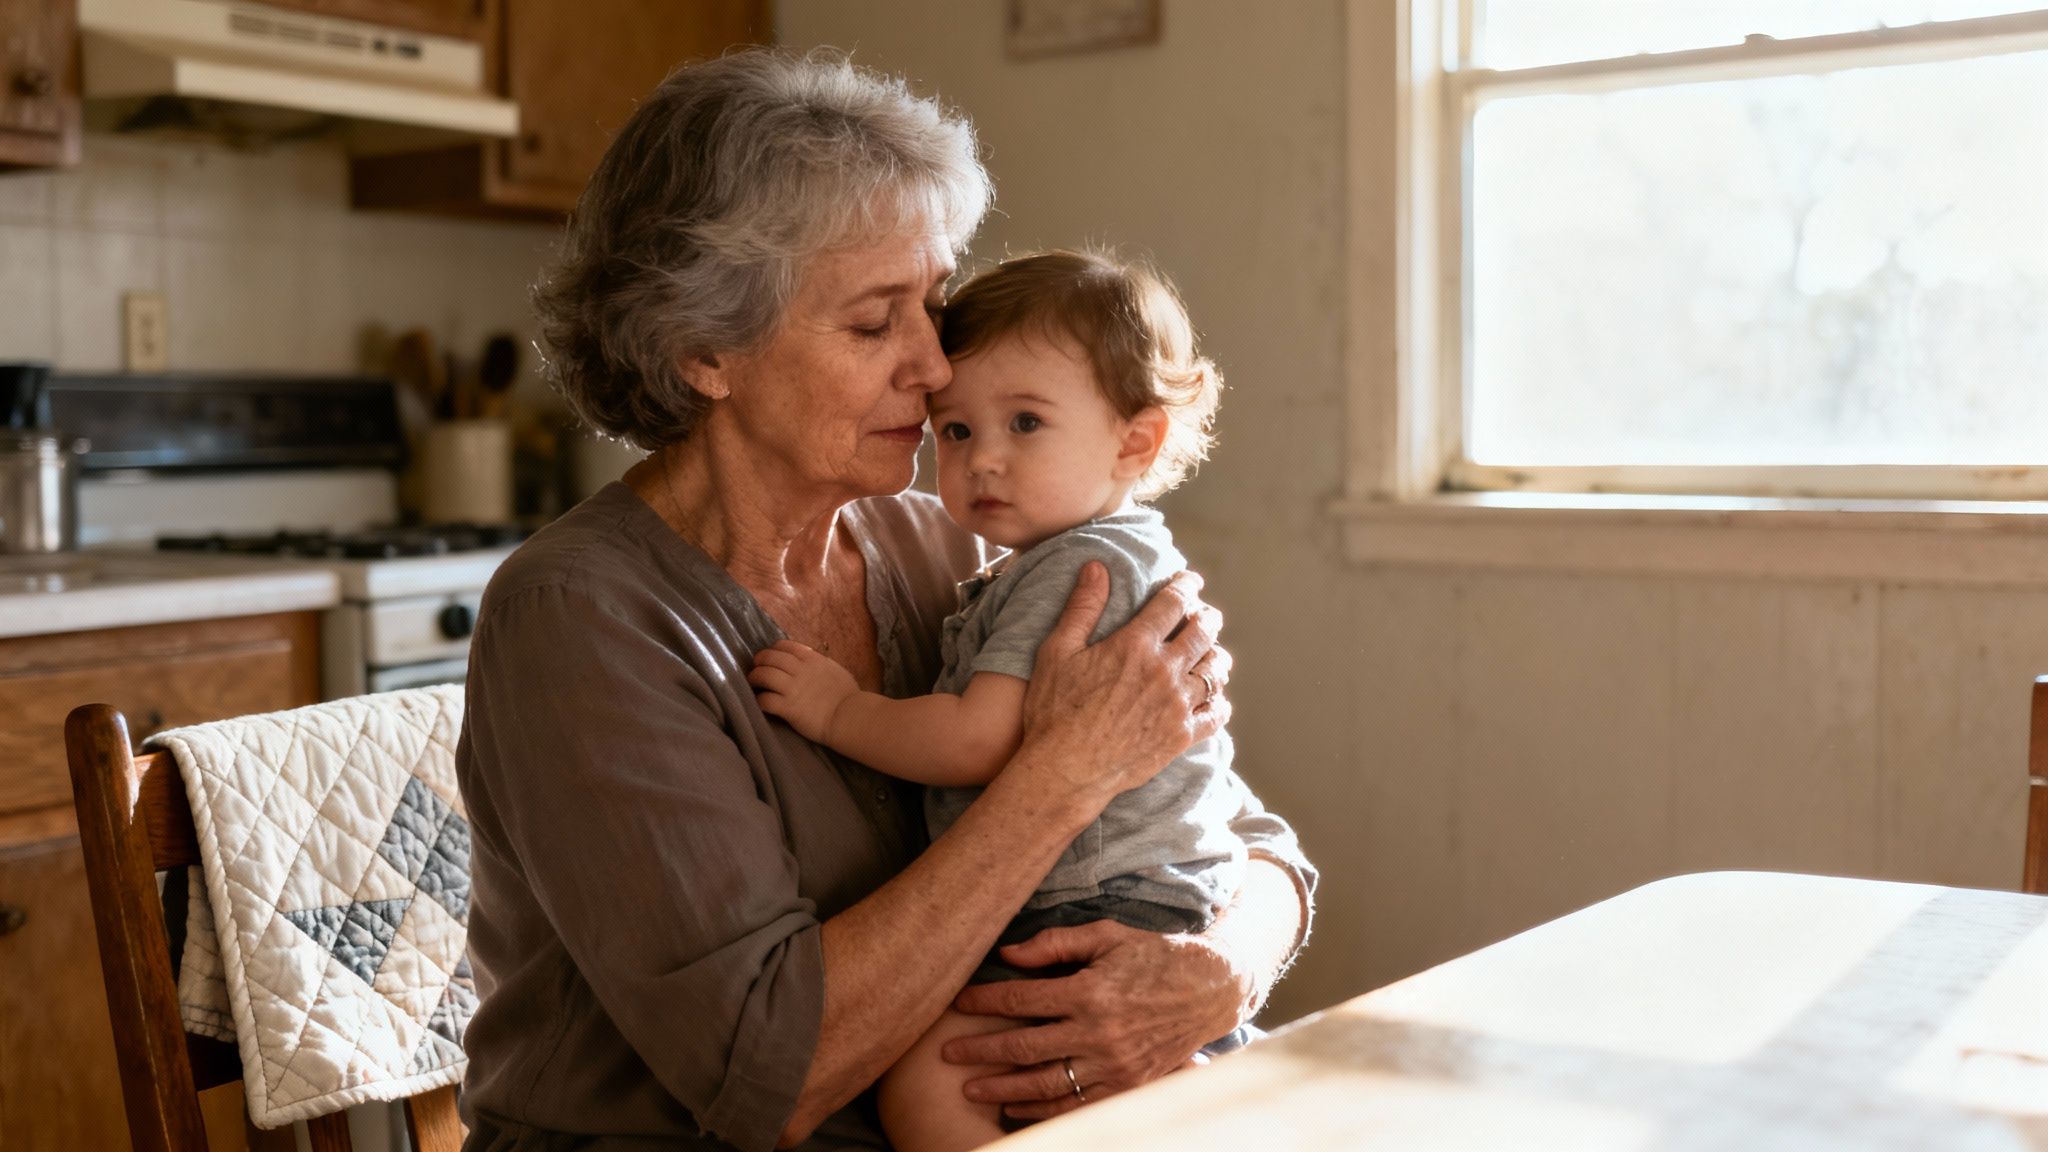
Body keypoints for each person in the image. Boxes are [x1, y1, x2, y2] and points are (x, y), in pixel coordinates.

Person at [455, 48, 1316, 1152]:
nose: (934, 365)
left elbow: (1239, 832)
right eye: (874, 323)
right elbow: (767, 1072)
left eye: (934, 306)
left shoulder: (948, 542)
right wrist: (1059, 773)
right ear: (704, 351)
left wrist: (1217, 970)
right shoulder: (583, 621)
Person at [749, 249, 1266, 1151]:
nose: (982, 460)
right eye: (954, 431)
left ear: (1134, 443)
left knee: (935, 1087)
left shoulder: (1072, 568)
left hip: (1092, 908)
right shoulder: (1084, 556)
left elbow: (975, 741)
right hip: (1152, 896)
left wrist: (838, 713)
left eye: (1025, 423)